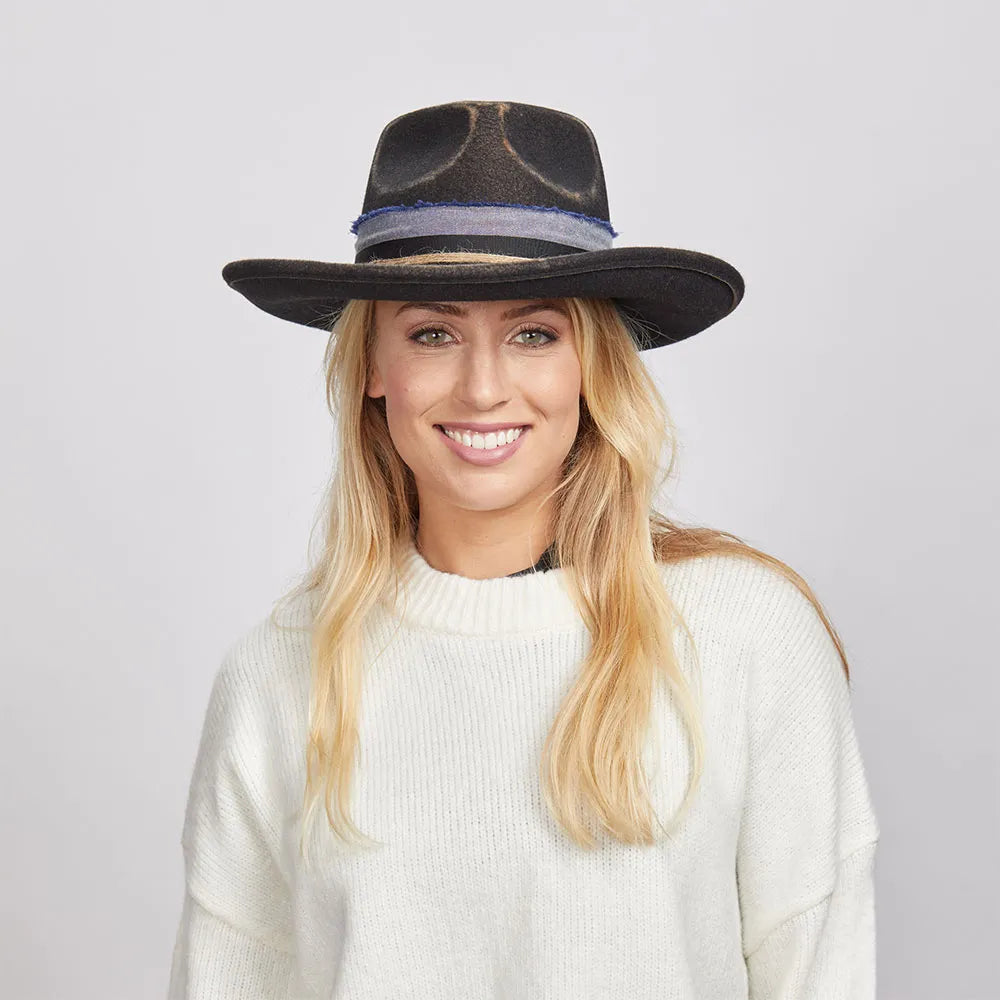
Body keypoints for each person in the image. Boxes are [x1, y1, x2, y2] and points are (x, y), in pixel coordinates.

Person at [167, 101, 881, 999]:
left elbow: (818, 968)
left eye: (534, 334)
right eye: (434, 333)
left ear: (592, 365)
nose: (482, 386)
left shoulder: (744, 635)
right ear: (374, 369)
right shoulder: (279, 675)